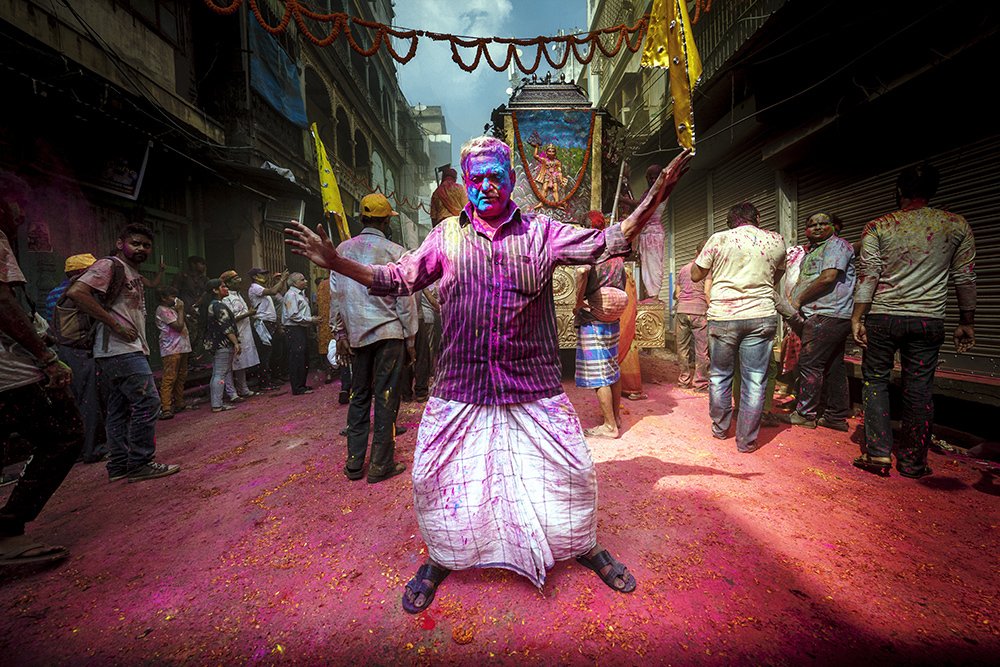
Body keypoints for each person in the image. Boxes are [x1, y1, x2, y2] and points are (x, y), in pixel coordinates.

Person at [286, 137, 693, 614]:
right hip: (462, 385)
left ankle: (582, 545)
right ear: (466, 184)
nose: (485, 186)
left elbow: (609, 240)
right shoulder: (445, 237)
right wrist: (335, 262)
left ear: (511, 181)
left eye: (495, 176)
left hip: (533, 385)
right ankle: (443, 557)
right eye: (475, 178)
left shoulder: (542, 232)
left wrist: (653, 200)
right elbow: (397, 279)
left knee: (576, 473)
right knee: (430, 479)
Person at [851, 164, 976, 478]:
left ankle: (878, 453)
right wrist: (967, 321)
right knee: (919, 388)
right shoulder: (956, 225)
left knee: (876, 380)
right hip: (928, 319)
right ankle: (913, 461)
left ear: (898, 191)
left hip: (882, 317)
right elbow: (965, 277)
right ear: (933, 190)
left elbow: (868, 276)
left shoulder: (879, 226)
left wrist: (857, 317)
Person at [0, 177, 82, 566]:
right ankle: (8, 530)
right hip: (9, 371)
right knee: (65, 434)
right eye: (17, 204)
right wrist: (46, 357)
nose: (22, 213)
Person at [66, 224, 179, 483]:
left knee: (118, 409)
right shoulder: (109, 265)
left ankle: (118, 466)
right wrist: (115, 325)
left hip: (120, 351)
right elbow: (77, 292)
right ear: (120, 243)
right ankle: (140, 462)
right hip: (120, 350)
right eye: (135, 243)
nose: (141, 248)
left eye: (146, 245)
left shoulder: (131, 272)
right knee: (149, 402)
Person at [330, 193, 417, 483]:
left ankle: (354, 463)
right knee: (386, 397)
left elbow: (336, 295)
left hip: (357, 335)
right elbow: (405, 300)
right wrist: (411, 339)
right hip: (390, 333)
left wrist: (339, 332)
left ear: (363, 219)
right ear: (385, 221)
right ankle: (381, 465)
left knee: (359, 396)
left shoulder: (342, 250)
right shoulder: (396, 251)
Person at [691, 202, 786, 453]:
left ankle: (720, 429)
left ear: (730, 221)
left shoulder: (718, 239)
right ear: (757, 217)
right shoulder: (776, 240)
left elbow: (695, 275)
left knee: (721, 374)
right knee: (755, 379)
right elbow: (777, 274)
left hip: (724, 315)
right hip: (761, 314)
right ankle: (746, 441)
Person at [781, 213, 855, 431]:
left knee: (810, 363)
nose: (817, 227)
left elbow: (828, 277)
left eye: (823, 223)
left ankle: (805, 414)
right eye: (812, 225)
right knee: (833, 365)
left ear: (834, 226)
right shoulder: (814, 250)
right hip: (828, 314)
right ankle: (835, 416)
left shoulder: (836, 245)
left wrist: (798, 300)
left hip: (826, 314)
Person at [49, 253, 108, 463]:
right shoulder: (80, 290)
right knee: (89, 399)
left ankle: (82, 448)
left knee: (76, 400)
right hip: (78, 351)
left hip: (62, 350)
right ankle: (93, 449)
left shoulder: (54, 291)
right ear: (80, 272)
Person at [573, 211, 626, 438]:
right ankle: (616, 417)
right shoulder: (614, 252)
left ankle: (609, 426)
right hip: (613, 315)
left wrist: (577, 302)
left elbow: (583, 271)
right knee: (612, 368)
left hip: (594, 315)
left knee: (599, 373)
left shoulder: (591, 248)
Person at [674, 241, 711, 391]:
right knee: (701, 349)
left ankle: (684, 381)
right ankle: (700, 383)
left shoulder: (683, 269)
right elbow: (707, 292)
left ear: (696, 253)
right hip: (699, 312)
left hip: (682, 311)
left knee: (682, 348)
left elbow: (677, 294)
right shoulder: (707, 270)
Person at [202, 279, 241, 413]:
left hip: (216, 343)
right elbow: (226, 327)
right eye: (223, 287)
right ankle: (217, 404)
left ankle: (217, 403)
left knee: (218, 373)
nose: (226, 288)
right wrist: (235, 342)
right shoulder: (218, 305)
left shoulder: (212, 304)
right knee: (220, 374)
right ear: (215, 290)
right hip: (222, 344)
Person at [220, 270, 259, 400]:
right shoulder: (226, 299)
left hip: (244, 333)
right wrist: (249, 313)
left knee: (241, 363)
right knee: (231, 366)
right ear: (228, 283)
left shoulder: (239, 295)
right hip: (234, 334)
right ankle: (232, 393)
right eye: (235, 278)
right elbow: (230, 319)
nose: (240, 280)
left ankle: (243, 388)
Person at [247, 268, 288, 390]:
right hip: (262, 324)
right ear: (255, 276)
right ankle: (264, 382)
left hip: (270, 323)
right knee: (265, 354)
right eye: (262, 274)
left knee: (273, 352)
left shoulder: (261, 289)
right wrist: (282, 279)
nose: (265, 276)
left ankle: (271, 378)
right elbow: (273, 290)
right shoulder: (255, 287)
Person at [154, 286, 192, 420]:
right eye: (172, 296)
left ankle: (179, 402)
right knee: (169, 378)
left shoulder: (172, 309)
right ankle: (166, 407)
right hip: (171, 348)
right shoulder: (162, 310)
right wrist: (181, 310)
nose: (175, 299)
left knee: (181, 376)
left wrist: (181, 310)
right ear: (163, 298)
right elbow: (178, 326)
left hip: (182, 347)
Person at [282, 272, 319, 395]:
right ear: (294, 283)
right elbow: (293, 315)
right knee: (297, 357)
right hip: (294, 329)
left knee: (303, 357)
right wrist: (311, 320)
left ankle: (301, 384)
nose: (305, 281)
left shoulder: (300, 294)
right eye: (302, 280)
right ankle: (297, 387)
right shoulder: (291, 295)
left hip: (301, 328)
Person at [173, 256, 208, 359]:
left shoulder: (204, 279)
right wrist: (180, 310)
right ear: (193, 264)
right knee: (188, 337)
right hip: (185, 311)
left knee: (199, 337)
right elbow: (174, 293)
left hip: (199, 312)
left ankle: (194, 360)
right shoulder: (182, 276)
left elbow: (206, 293)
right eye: (201, 264)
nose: (204, 267)